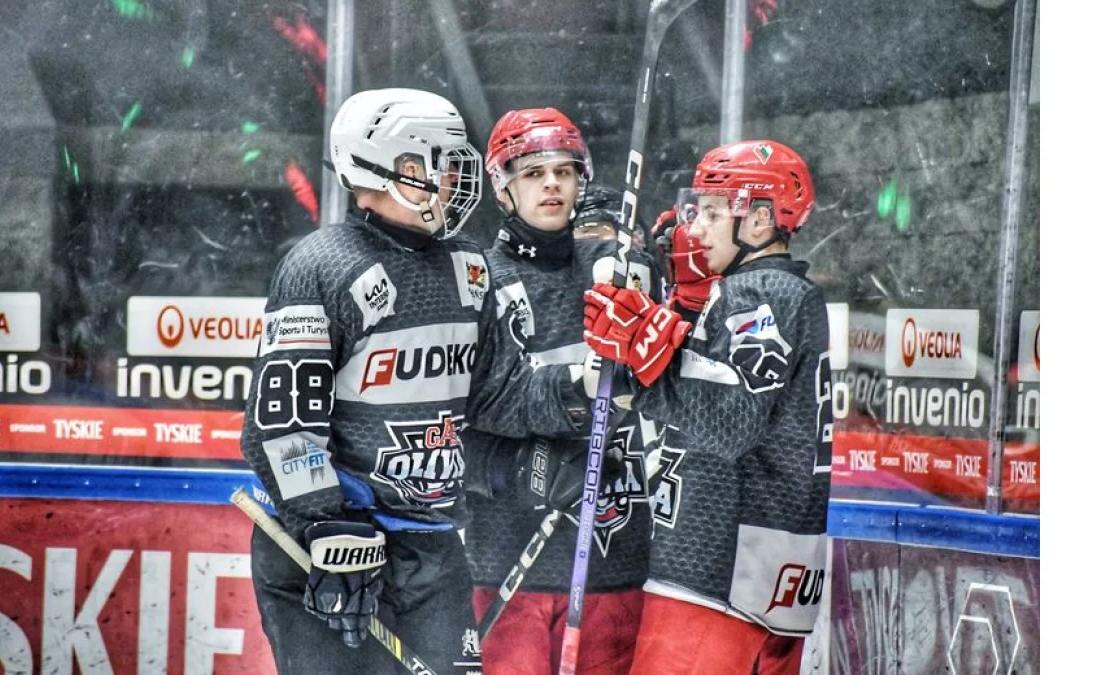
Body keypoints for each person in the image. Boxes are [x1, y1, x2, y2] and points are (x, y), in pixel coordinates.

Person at [238, 87, 488, 675]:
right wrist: (325, 525)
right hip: (329, 546)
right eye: (438, 161)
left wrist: (579, 391)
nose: (454, 177)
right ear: (392, 167)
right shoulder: (323, 264)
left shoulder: (471, 267)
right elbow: (281, 425)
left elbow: (496, 396)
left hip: (429, 544)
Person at [582, 140, 831, 674]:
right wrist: (677, 324)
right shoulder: (782, 293)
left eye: (715, 213)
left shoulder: (758, 293)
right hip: (767, 573)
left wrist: (646, 352)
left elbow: (729, 421)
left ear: (760, 220)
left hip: (716, 572)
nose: (695, 229)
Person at [462, 108, 661, 675]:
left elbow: (658, 390)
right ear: (502, 187)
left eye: (564, 171)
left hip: (613, 552)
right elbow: (470, 411)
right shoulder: (476, 279)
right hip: (508, 554)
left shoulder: (620, 272)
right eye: (533, 173)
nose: (552, 184)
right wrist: (517, 463)